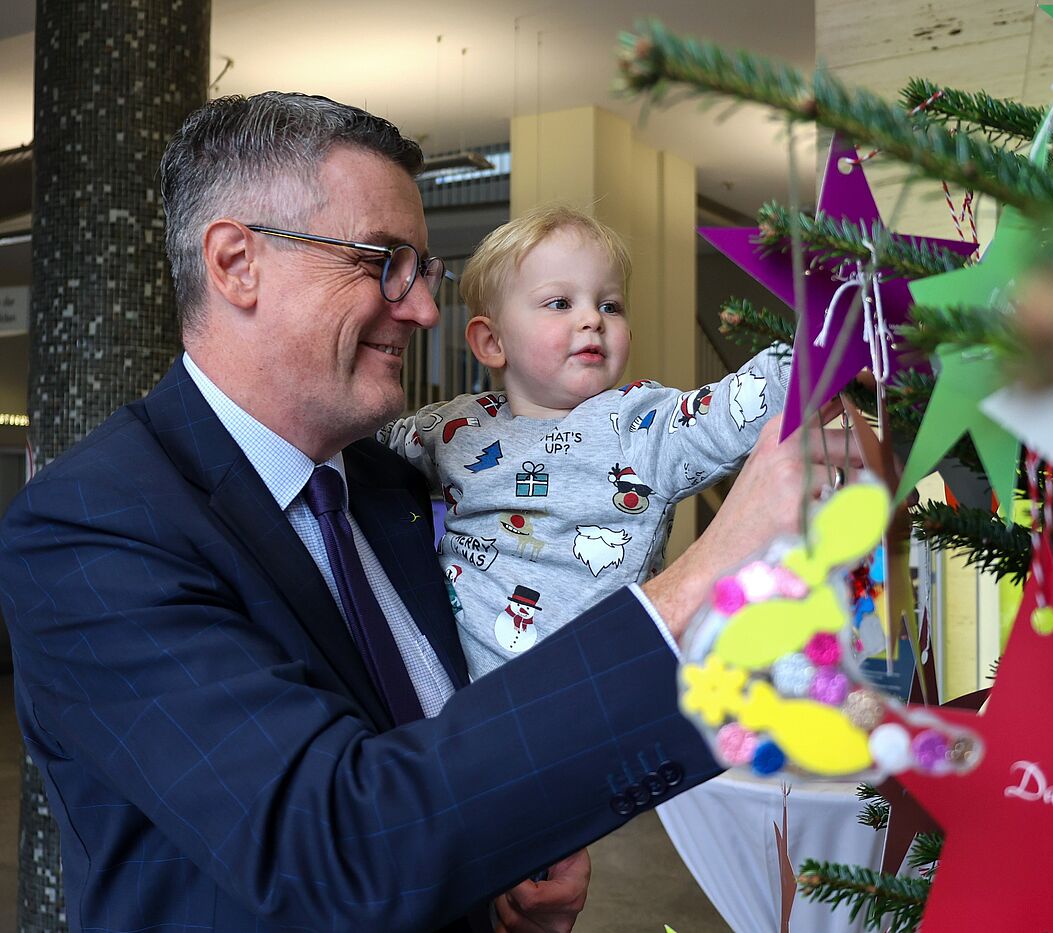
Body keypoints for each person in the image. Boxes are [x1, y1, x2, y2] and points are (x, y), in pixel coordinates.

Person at [0, 92, 850, 931]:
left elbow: (443, 763)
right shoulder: (91, 528)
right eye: (383, 261)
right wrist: (709, 578)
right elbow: (334, 847)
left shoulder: (394, 481)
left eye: (422, 271)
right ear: (235, 263)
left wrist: (503, 875)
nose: (423, 309)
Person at [380, 206, 789, 677]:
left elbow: (735, 405)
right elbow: (364, 446)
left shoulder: (637, 422)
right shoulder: (455, 427)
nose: (593, 318)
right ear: (492, 342)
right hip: (465, 695)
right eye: (560, 303)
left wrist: (820, 346)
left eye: (610, 305)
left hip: (599, 688)